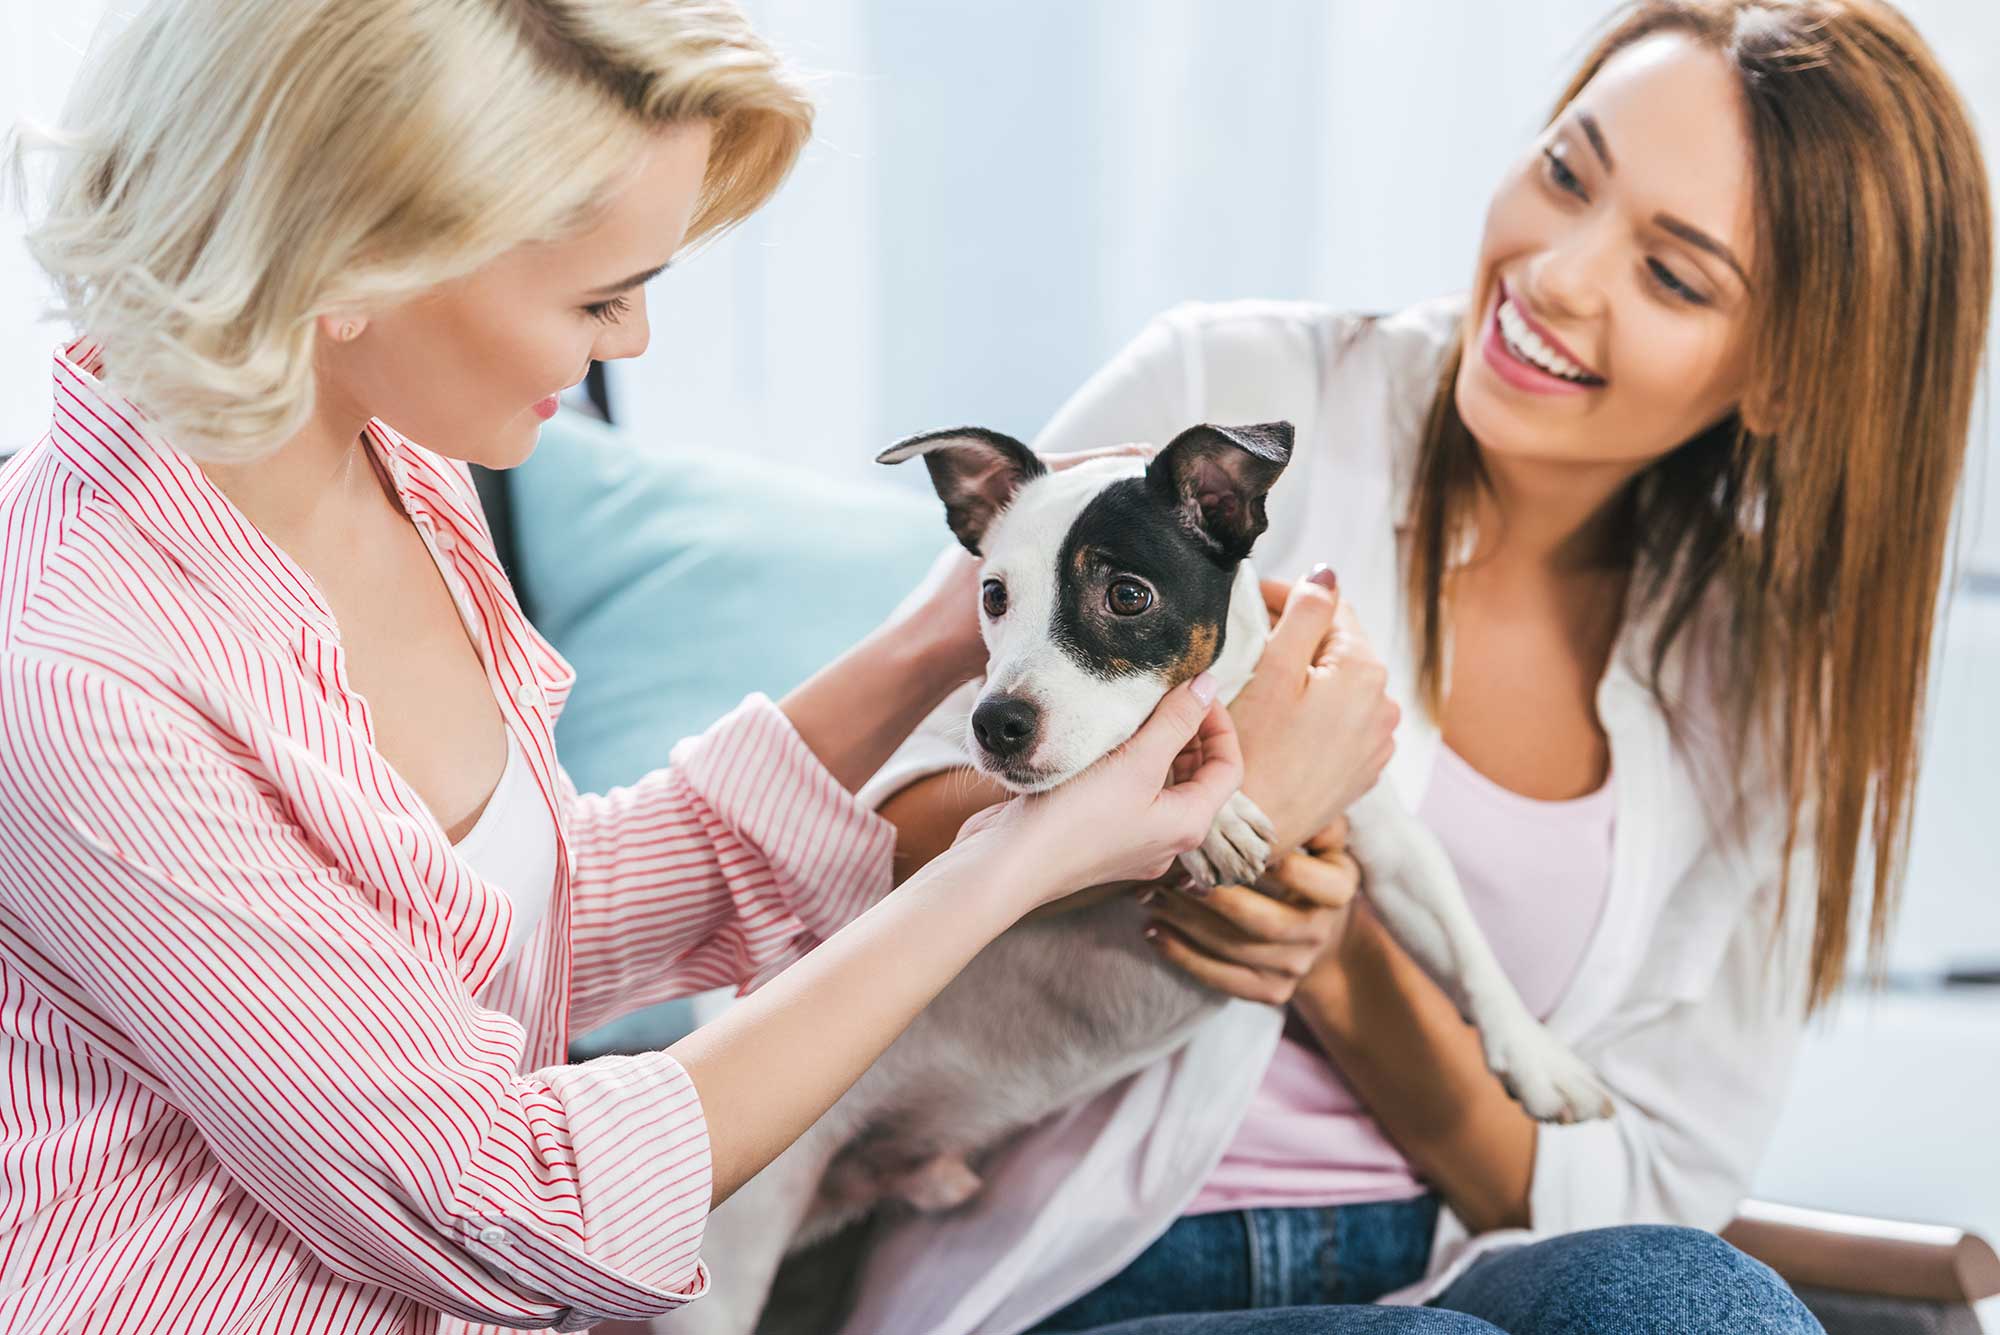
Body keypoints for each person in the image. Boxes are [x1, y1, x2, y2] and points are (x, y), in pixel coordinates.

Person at [0, 3, 1392, 1330]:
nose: (636, 342)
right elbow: (510, 1203)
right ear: (352, 263)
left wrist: (929, 643)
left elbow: (541, 925)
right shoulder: (78, 675)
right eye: (602, 297)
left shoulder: (390, 454)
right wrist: (1019, 861)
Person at [862, 2, 1991, 1332]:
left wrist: (1338, 960)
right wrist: (1147, 831)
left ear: (1785, 380)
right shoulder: (1225, 392)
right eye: (1569, 171)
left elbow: (1645, 1181)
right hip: (1076, 1268)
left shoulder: (1767, 681)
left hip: (1468, 1266)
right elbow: (875, 834)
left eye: (1674, 275)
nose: (1559, 273)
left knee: (1699, 1300)